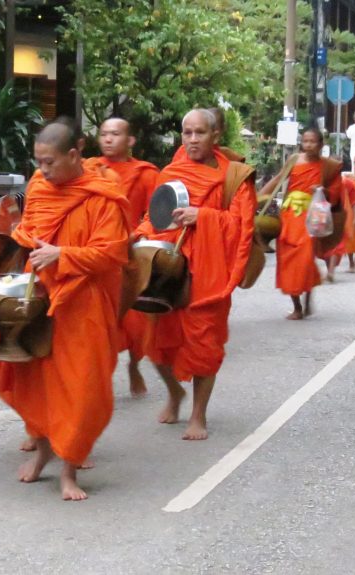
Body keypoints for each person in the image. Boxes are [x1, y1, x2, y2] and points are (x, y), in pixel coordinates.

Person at [0, 119, 129, 501]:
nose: (42, 171)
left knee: (81, 388)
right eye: (38, 162)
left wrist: (64, 254)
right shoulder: (41, 188)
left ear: (74, 155)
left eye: (49, 162)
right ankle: (43, 454)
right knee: (35, 381)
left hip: (83, 304)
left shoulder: (102, 194)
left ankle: (70, 470)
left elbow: (112, 253)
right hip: (38, 297)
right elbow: (28, 232)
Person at [133, 108, 256, 441]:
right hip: (168, 268)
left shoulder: (234, 176)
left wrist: (203, 215)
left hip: (208, 270)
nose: (191, 139)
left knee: (204, 343)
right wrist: (139, 232)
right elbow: (156, 215)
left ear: (215, 136)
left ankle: (198, 415)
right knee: (154, 340)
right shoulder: (172, 171)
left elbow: (241, 226)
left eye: (199, 132)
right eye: (186, 132)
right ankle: (175, 393)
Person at [85, 117, 160, 397]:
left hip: (129, 251)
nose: (107, 139)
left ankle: (134, 364)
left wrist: (140, 232)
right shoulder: (89, 170)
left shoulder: (146, 173)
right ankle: (97, 380)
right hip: (96, 252)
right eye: (103, 134)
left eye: (115, 134)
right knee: (100, 323)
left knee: (134, 321)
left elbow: (157, 212)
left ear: (130, 140)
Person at [261, 127, 343, 319]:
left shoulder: (328, 166)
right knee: (288, 260)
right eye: (305, 141)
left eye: (312, 141)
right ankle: (297, 306)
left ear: (321, 145)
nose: (308, 145)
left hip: (312, 217)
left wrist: (323, 190)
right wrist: (258, 196)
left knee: (305, 259)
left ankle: (307, 300)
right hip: (289, 215)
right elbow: (278, 179)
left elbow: (336, 192)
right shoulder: (293, 160)